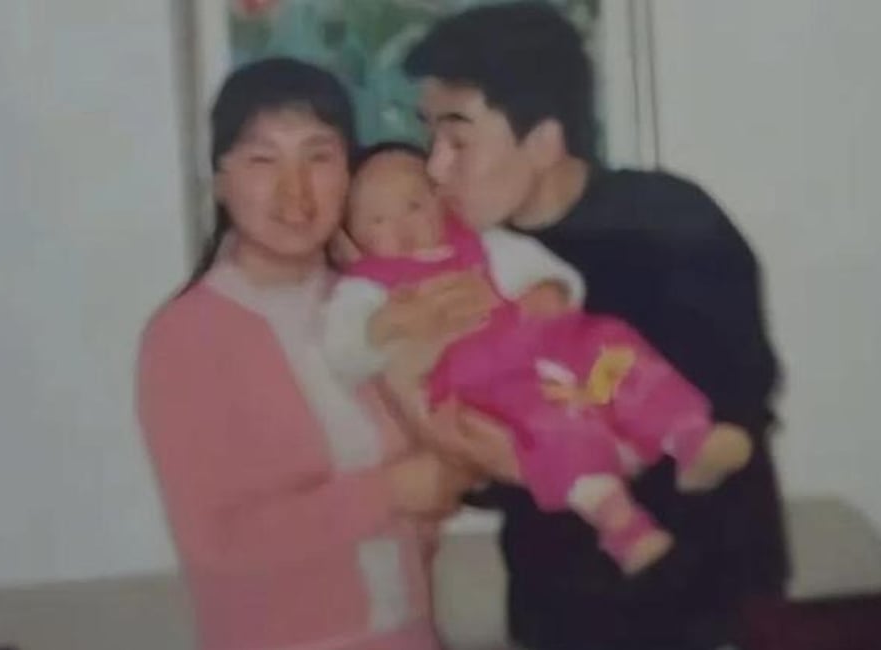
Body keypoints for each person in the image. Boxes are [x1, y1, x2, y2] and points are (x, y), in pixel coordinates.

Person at [400, 3, 789, 649]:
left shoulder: (671, 228)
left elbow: (736, 415)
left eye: (459, 140)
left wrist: (533, 458)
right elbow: (472, 450)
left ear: (544, 141)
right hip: (559, 615)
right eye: (429, 137)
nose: (435, 167)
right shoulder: (471, 268)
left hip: (706, 610)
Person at [136, 58, 481, 650]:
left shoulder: (375, 309)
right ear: (219, 180)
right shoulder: (185, 336)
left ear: (348, 172)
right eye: (263, 160)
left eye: (319, 157)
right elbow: (219, 539)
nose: (295, 190)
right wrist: (393, 492)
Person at [323, 142, 755, 576]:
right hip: (488, 384)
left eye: (413, 205)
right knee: (554, 424)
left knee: (613, 346)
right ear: (351, 238)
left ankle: (686, 435)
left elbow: (546, 269)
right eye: (376, 220)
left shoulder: (485, 241)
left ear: (441, 202)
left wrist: (552, 289)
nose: (400, 226)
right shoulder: (366, 287)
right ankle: (620, 523)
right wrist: (380, 328)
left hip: (552, 345)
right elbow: (341, 351)